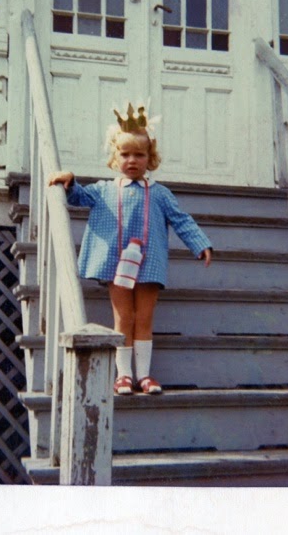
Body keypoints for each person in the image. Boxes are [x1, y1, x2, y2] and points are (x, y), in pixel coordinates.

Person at [48, 103, 213, 395]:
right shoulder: (104, 190)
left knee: (144, 318)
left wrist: (200, 244)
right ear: (115, 157)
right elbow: (78, 197)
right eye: (125, 154)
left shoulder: (160, 194)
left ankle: (144, 376)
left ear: (151, 158)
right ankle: (123, 375)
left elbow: (181, 220)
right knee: (123, 317)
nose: (132, 160)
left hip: (149, 263)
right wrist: (70, 179)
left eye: (139, 155)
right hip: (117, 264)